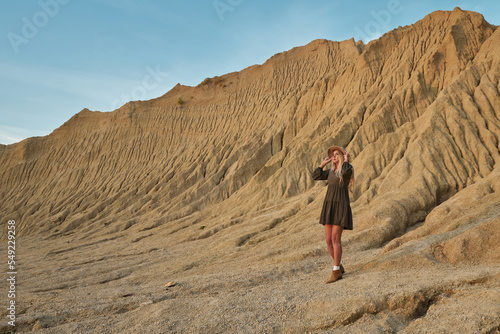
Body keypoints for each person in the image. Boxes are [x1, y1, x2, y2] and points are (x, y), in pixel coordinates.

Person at [311, 146, 354, 283]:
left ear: (342, 156)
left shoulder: (346, 169)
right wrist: (322, 164)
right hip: (329, 205)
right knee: (328, 240)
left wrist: (346, 160)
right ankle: (339, 265)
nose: (334, 156)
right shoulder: (330, 171)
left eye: (337, 154)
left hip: (340, 206)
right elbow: (316, 175)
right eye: (333, 155)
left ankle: (335, 270)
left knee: (336, 239)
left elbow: (347, 172)